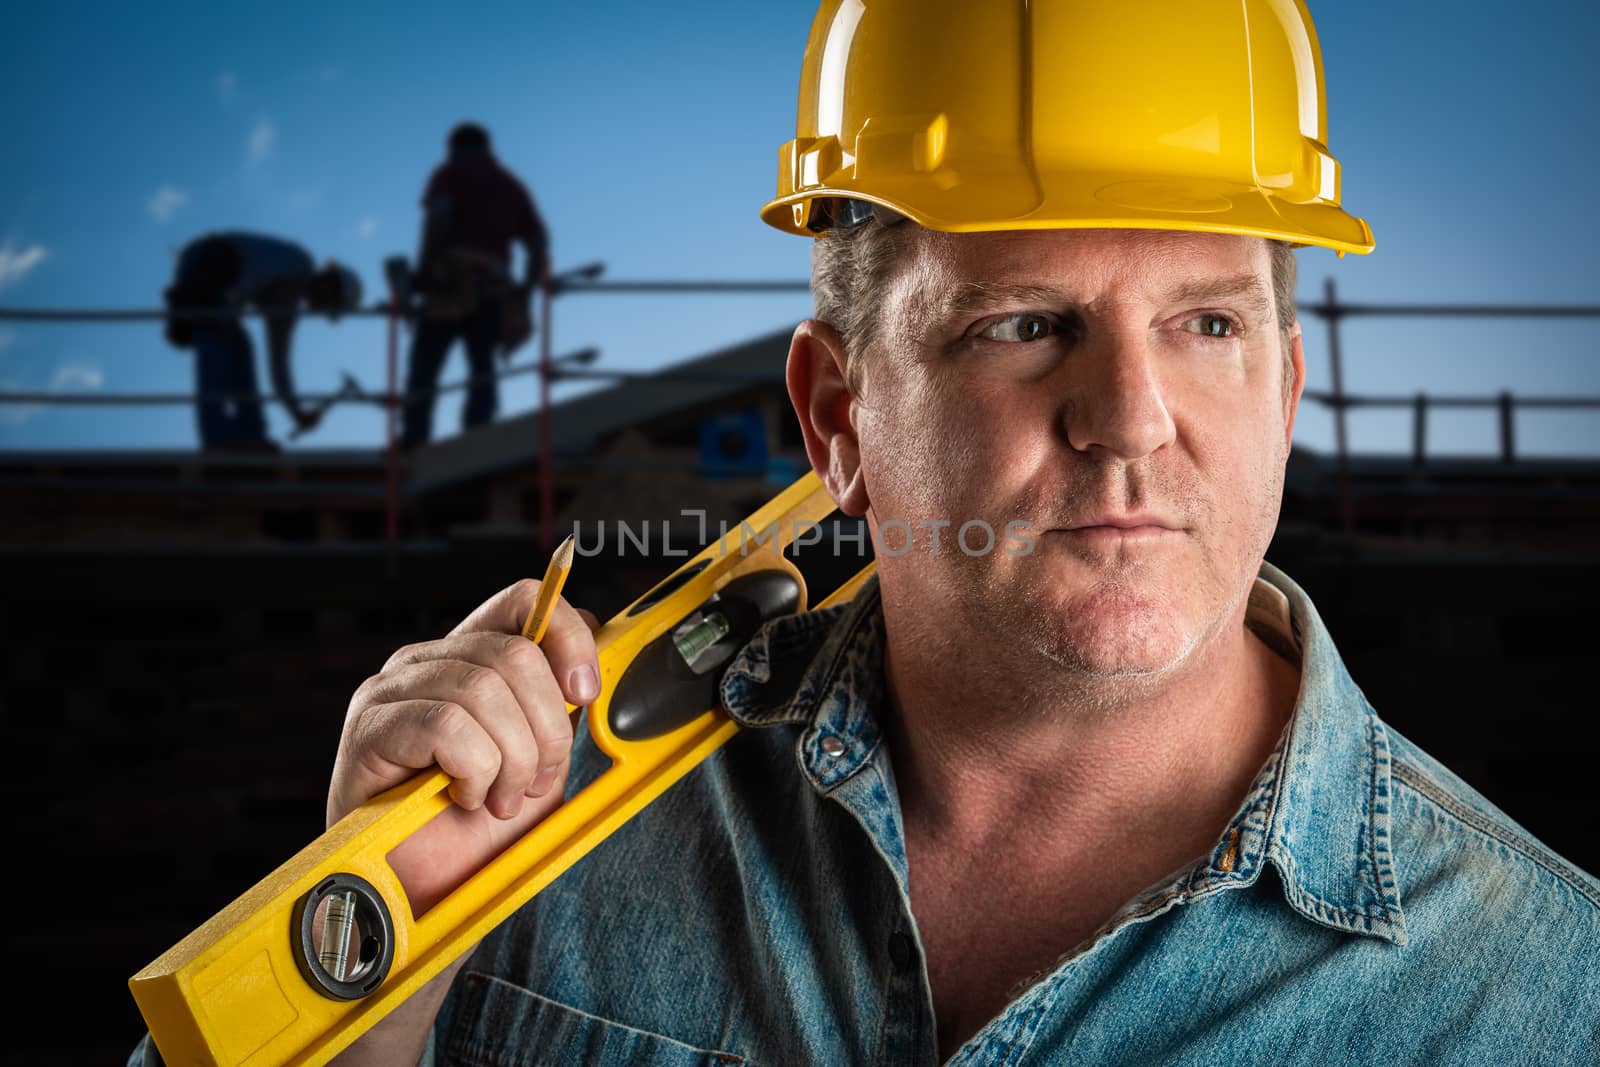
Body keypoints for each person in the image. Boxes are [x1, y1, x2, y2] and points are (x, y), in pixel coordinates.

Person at [127, 2, 1598, 1064]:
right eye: (1026, 326)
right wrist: (357, 990)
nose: (1131, 418)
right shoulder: (535, 839)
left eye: (1206, 322)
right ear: (836, 414)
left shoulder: (1544, 997)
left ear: (1284, 388)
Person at [399, 122, 550, 450]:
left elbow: (437, 219)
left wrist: (424, 275)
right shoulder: (511, 185)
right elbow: (539, 243)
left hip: (448, 282)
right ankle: (478, 437)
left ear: (453, 148)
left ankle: (414, 439)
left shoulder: (449, 173)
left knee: (425, 366)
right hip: (494, 287)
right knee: (482, 364)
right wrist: (525, 292)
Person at [163, 232, 362, 451]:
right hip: (207, 263)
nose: (322, 311)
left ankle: (249, 436)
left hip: (215, 276)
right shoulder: (297, 266)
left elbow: (278, 367)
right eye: (330, 305)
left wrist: (296, 413)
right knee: (217, 338)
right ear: (330, 286)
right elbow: (245, 273)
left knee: (237, 344)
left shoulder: (289, 298)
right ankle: (219, 441)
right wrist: (296, 412)